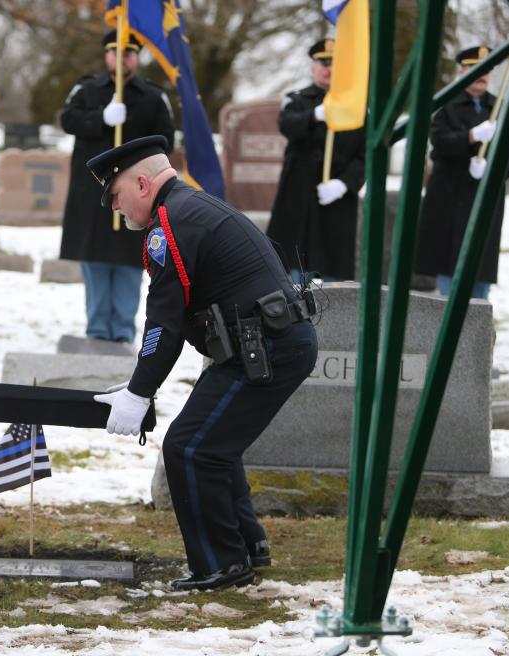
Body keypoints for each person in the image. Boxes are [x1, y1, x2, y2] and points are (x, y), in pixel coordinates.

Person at [91, 136, 318, 592]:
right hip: (262, 344)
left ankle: (222, 564)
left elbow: (164, 321)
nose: (116, 208)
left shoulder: (170, 223)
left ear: (141, 183)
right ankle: (246, 546)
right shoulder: (189, 207)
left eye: (115, 197)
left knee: (190, 448)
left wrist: (140, 392)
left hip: (265, 348)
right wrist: (139, 384)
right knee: (210, 444)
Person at [59, 30, 175, 343]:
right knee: (95, 260)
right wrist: (100, 119)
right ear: (106, 55)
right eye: (115, 52)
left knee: (129, 261)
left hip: (137, 195)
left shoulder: (153, 96)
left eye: (129, 53)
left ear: (136, 57)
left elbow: (168, 140)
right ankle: (97, 330)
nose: (122, 58)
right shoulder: (86, 90)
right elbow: (67, 119)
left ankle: (123, 331)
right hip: (93, 193)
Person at [415, 45, 509, 299]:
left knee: (479, 268)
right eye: (474, 69)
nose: (481, 76)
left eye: (486, 70)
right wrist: (470, 136)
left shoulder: (500, 107)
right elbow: (439, 141)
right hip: (449, 199)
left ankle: (477, 323)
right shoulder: (447, 105)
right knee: (450, 270)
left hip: (483, 198)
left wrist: (495, 169)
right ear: (462, 71)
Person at [267, 39, 365, 282]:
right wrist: (315, 115)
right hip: (299, 199)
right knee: (294, 267)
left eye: (335, 64)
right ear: (313, 68)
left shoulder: (359, 106)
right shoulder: (297, 100)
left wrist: (344, 184)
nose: (329, 69)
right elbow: (287, 125)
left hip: (336, 200)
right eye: (324, 63)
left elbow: (367, 154)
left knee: (332, 272)